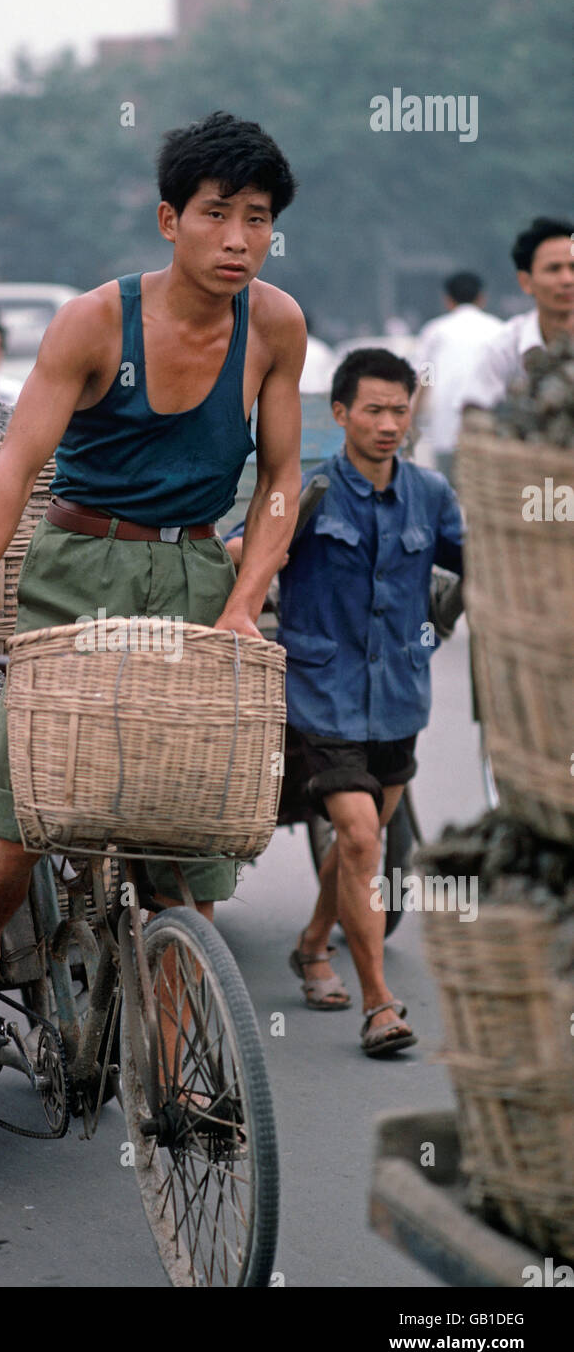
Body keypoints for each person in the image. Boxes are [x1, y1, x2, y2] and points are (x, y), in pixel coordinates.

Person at [0, 110, 306, 1071]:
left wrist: (244, 599)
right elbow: (10, 478)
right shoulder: (95, 323)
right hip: (78, 574)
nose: (237, 240)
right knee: (25, 808)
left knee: (188, 836)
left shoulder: (278, 326)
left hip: (194, 576)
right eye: (217, 215)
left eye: (256, 219)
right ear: (170, 219)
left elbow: (283, 479)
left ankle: (173, 1054)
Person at [225, 349, 464, 1057]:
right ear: (340, 415)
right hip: (322, 690)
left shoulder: (431, 494)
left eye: (400, 410)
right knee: (363, 840)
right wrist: (235, 558)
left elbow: (476, 562)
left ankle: (309, 945)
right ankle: (380, 1004)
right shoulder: (311, 492)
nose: (389, 424)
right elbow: (246, 551)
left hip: (398, 696)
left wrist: (453, 615)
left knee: (360, 845)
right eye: (374, 411)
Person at [465, 216, 574, 409]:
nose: (567, 279)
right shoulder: (502, 349)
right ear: (526, 282)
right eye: (554, 269)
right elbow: (477, 418)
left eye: (573, 268)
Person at [412, 272, 502, 478]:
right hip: (489, 428)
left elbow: (426, 378)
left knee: (448, 496)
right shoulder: (499, 329)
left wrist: (412, 419)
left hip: (446, 428)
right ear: (482, 298)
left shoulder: (435, 331)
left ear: (448, 300)